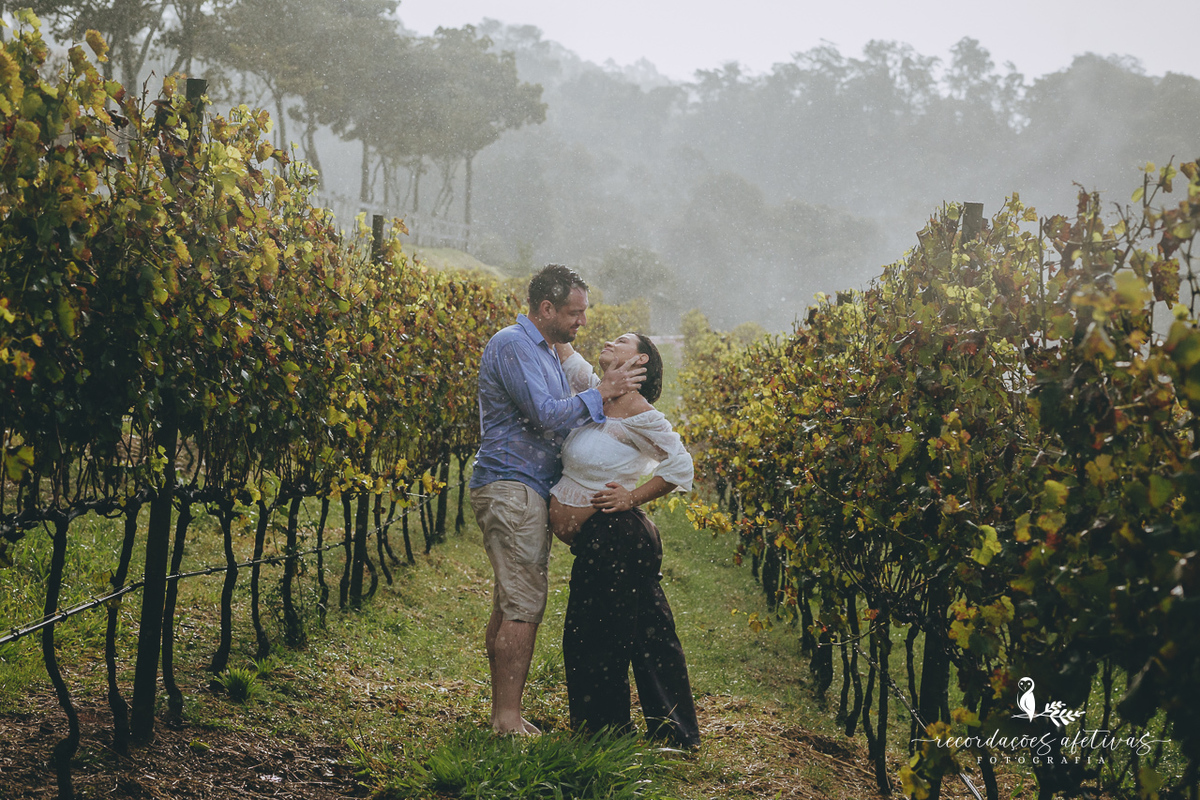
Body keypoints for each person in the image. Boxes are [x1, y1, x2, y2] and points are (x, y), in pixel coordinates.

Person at [469, 265, 645, 735]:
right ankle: (507, 721)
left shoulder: (543, 349)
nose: (582, 321)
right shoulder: (513, 344)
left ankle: (504, 713)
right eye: (574, 312)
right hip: (512, 482)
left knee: (511, 600)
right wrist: (603, 392)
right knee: (523, 604)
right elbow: (546, 415)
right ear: (546, 308)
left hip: (521, 485)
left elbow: (570, 389)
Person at [549, 332, 702, 748]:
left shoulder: (638, 412)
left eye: (621, 341)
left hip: (616, 538)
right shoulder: (594, 390)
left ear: (640, 362)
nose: (609, 342)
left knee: (595, 633)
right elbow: (563, 346)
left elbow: (681, 465)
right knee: (648, 631)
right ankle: (671, 733)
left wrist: (631, 497)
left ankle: (604, 734)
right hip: (606, 542)